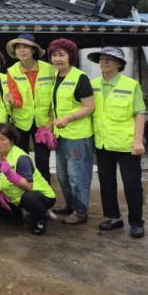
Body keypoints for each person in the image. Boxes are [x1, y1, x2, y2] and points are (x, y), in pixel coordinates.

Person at [88, 47, 146, 238]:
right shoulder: (93, 85)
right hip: (103, 143)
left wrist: (138, 141)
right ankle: (113, 217)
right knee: (106, 182)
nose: (105, 62)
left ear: (119, 64)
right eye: (102, 59)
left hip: (126, 144)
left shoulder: (131, 85)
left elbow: (139, 113)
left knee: (132, 184)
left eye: (110, 59)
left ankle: (136, 222)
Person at [48, 38, 95, 225]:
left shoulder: (80, 78)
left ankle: (81, 211)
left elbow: (89, 106)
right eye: (54, 55)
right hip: (61, 135)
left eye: (61, 55)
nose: (57, 59)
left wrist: (68, 118)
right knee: (63, 174)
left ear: (71, 56)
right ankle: (71, 204)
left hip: (78, 136)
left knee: (78, 175)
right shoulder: (56, 77)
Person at [0, 123, 56, 235]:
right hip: (13, 196)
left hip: (39, 195)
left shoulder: (21, 157)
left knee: (30, 198)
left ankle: (40, 220)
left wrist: (10, 174)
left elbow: (29, 187)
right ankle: (22, 211)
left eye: (2, 139)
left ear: (11, 140)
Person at [4, 34, 55, 183]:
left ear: (33, 50)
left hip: (43, 122)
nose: (21, 50)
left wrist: (52, 121)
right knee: (22, 159)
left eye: (25, 47)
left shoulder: (49, 69)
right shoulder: (12, 71)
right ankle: (25, 189)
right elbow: (14, 97)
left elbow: (55, 96)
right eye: (18, 48)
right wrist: (11, 101)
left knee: (42, 160)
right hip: (21, 122)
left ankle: (44, 191)